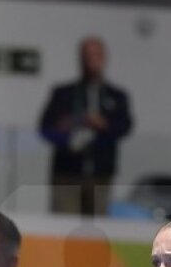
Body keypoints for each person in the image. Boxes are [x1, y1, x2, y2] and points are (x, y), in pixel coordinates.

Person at [39, 36, 134, 216]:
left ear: (104, 57)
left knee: (96, 231)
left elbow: (124, 126)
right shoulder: (64, 94)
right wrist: (71, 123)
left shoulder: (116, 96)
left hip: (100, 174)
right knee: (65, 228)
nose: (92, 60)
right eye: (87, 55)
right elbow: (46, 129)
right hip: (67, 174)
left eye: (96, 55)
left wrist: (103, 124)